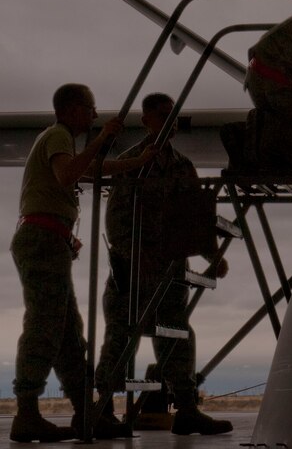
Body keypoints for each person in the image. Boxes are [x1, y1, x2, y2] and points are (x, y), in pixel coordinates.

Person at [10, 83, 156, 442]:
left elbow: (87, 170)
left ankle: (85, 413)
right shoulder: (58, 135)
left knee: (68, 334)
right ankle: (26, 413)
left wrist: (135, 163)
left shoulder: (60, 142)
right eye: (91, 109)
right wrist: (103, 138)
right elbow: (69, 175)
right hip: (43, 240)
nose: (94, 116)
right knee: (45, 324)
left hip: (49, 240)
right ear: (73, 109)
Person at [95, 92, 233, 436]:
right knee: (121, 338)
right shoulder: (131, 163)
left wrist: (213, 255)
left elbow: (195, 217)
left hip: (171, 273)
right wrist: (133, 257)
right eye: (162, 115)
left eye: (173, 116)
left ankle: (186, 409)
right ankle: (102, 410)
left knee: (177, 335)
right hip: (134, 273)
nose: (170, 122)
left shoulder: (182, 166)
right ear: (146, 121)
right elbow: (116, 221)